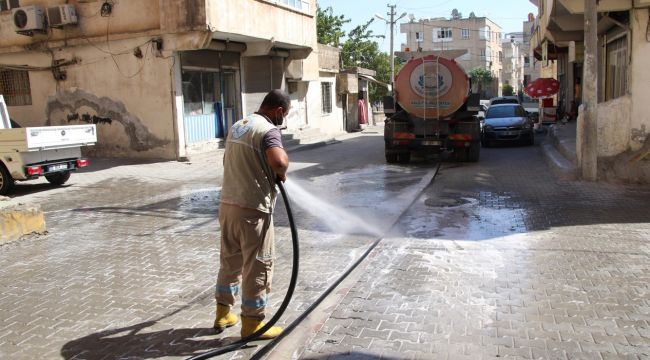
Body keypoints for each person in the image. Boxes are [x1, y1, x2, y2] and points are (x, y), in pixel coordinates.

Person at [213, 90, 290, 339]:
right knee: (258, 265)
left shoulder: (239, 125)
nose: (283, 120)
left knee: (230, 261)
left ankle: (223, 312)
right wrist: (282, 171)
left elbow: (228, 160)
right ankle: (252, 324)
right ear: (277, 110)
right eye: (284, 115)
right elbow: (278, 162)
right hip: (252, 210)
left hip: (227, 206)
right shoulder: (268, 130)